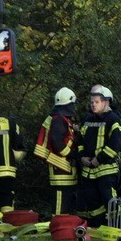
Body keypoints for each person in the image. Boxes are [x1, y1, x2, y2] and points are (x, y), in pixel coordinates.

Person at [76, 87, 121, 227]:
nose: (93, 105)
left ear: (105, 103)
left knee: (109, 200)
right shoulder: (88, 119)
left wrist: (99, 159)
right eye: (92, 102)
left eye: (96, 102)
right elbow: (80, 141)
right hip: (89, 171)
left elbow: (116, 144)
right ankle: (98, 227)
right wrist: (82, 157)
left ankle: (115, 229)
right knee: (92, 202)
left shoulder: (113, 119)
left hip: (106, 170)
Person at [33, 87, 80, 215]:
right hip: (60, 168)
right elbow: (57, 142)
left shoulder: (59, 118)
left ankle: (63, 228)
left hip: (62, 168)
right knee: (60, 206)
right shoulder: (59, 119)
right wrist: (73, 154)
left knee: (65, 203)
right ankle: (58, 228)